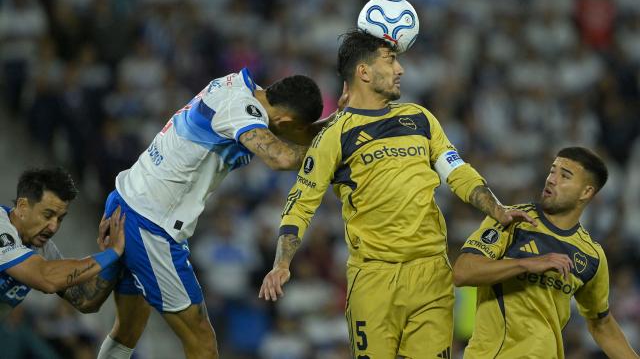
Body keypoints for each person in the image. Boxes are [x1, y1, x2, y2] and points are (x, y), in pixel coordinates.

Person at [258, 30, 535, 359]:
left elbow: (456, 170)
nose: (400, 69)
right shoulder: (334, 135)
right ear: (363, 72)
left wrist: (496, 208)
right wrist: (282, 263)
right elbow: (300, 203)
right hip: (374, 278)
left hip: (432, 273)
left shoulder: (419, 118)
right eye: (390, 61)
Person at [96, 68, 333, 359]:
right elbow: (281, 156)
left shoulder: (239, 86)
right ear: (284, 120)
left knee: (128, 329)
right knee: (202, 341)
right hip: (150, 225)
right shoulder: (242, 112)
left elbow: (297, 131)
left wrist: (344, 122)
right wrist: (334, 152)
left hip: (128, 199)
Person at [453, 147, 639, 359]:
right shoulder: (511, 220)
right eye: (552, 171)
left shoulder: (591, 255)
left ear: (586, 192)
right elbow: (462, 271)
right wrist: (527, 263)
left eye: (564, 176)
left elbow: (602, 324)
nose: (551, 179)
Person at [1, 167, 125, 319]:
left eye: (60, 219)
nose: (54, 227)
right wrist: (111, 253)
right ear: (23, 207)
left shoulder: (44, 250)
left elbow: (86, 301)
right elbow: (45, 277)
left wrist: (112, 259)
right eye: (48, 215)